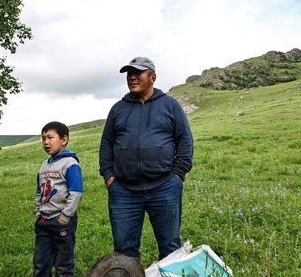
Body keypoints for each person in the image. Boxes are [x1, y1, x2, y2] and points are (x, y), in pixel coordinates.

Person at [99, 56, 193, 260]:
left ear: (152, 77)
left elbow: (185, 140)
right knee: (125, 252)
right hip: (123, 191)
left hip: (165, 187)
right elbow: (106, 144)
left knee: (170, 249)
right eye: (129, 74)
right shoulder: (118, 109)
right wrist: (109, 176)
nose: (132, 77)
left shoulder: (170, 105)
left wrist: (178, 175)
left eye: (137, 73)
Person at [33, 121, 83, 277]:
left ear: (64, 140)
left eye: (50, 137)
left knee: (63, 264)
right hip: (43, 221)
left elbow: (76, 193)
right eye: (43, 138)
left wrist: (64, 217)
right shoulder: (44, 165)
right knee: (41, 262)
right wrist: (37, 212)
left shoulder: (70, 163)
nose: (46, 142)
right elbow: (38, 191)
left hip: (62, 222)